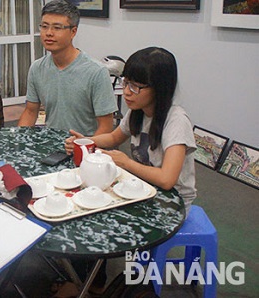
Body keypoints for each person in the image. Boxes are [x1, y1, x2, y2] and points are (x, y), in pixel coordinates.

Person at [65, 47, 197, 215]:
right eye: (126, 82)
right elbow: (113, 138)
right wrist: (86, 141)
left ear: (159, 88)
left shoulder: (176, 121)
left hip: (171, 202)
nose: (126, 92)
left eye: (135, 87)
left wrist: (126, 163)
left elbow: (167, 179)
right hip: (143, 188)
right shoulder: (138, 111)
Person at [17, 0, 117, 137]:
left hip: (85, 148)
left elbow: (106, 125)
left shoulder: (96, 72)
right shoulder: (37, 68)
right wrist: (19, 141)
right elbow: (30, 111)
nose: (49, 33)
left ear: (73, 32)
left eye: (57, 28)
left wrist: (84, 148)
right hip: (51, 146)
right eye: (44, 26)